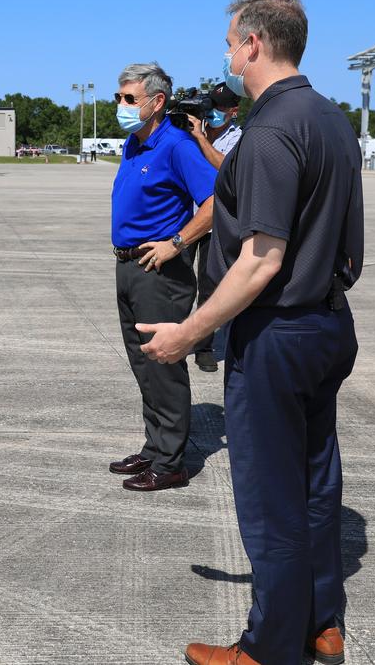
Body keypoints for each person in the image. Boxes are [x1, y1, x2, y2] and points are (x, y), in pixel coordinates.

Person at [137, 0, 363, 665]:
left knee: (271, 498)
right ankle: (323, 622)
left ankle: (269, 647)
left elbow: (261, 260)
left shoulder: (269, 130)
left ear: (256, 44)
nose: (228, 51)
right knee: (316, 481)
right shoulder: (331, 119)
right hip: (327, 321)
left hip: (278, 331)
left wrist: (188, 332)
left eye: (232, 40)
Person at [107, 63, 217, 493]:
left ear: (156, 103)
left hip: (159, 270)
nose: (121, 106)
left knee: (163, 363)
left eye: (129, 99)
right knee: (142, 364)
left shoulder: (177, 145)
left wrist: (177, 242)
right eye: (119, 97)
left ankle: (171, 461)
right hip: (128, 266)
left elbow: (214, 203)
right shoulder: (134, 145)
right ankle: (154, 447)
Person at [186, 83, 243, 372]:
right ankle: (179, 335)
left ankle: (204, 346)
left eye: (219, 108)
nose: (213, 113)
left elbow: (226, 167)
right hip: (185, 219)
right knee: (180, 285)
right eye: (210, 106)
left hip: (215, 222)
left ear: (233, 111)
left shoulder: (239, 138)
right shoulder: (193, 128)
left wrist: (199, 139)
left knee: (209, 288)